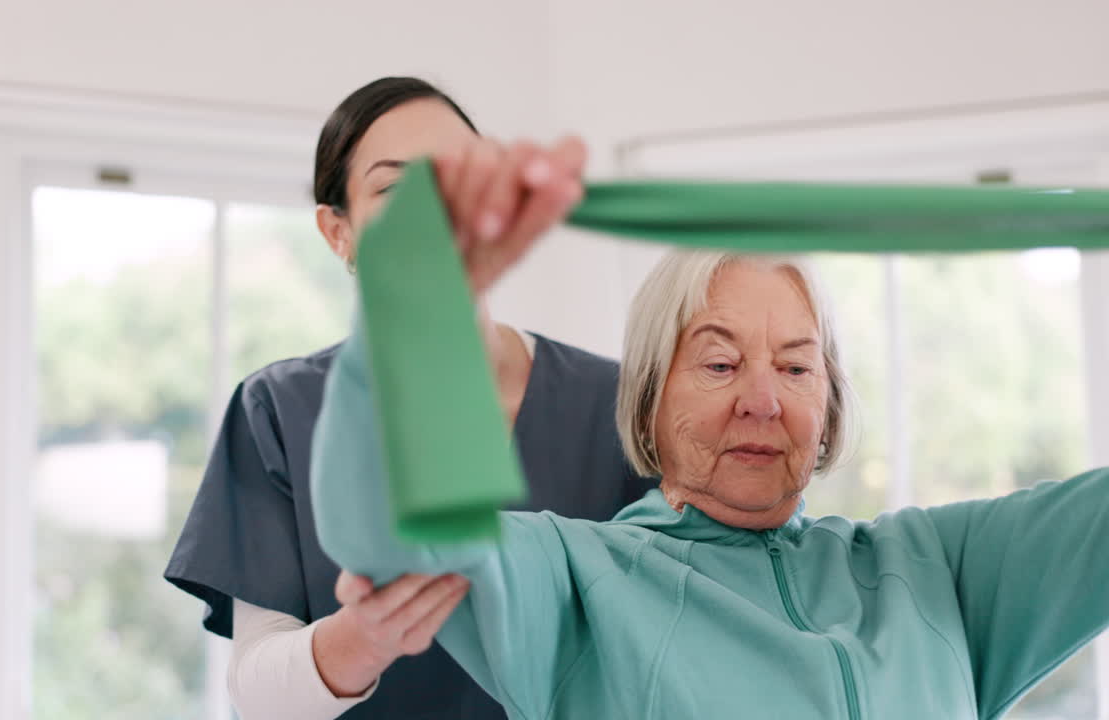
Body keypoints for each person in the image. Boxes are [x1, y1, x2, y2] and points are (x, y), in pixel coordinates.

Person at [309, 150, 1109, 718]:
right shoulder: (571, 582)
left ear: (829, 404)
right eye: (721, 364)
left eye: (797, 369)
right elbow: (379, 521)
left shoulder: (938, 571)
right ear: (650, 395)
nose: (763, 400)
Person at [163, 77, 654, 719]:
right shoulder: (278, 414)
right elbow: (257, 695)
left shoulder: (620, 404)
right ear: (339, 233)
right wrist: (360, 640)